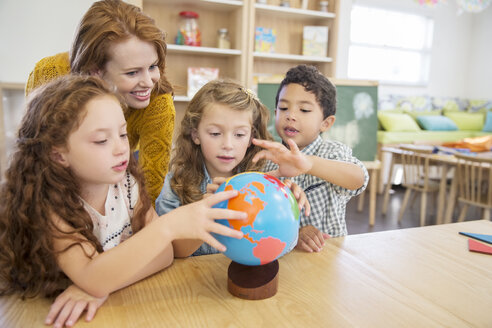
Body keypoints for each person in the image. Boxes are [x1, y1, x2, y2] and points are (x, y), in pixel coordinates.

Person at [0, 75, 247, 328]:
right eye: (102, 140)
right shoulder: (49, 203)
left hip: (114, 309)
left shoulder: (127, 184)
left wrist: (106, 281)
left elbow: (164, 255)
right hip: (44, 312)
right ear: (58, 154)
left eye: (122, 134)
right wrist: (168, 227)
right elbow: (91, 276)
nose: (121, 149)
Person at [25, 0, 175, 205]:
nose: (149, 83)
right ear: (94, 71)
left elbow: (149, 191)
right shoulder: (48, 75)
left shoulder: (158, 103)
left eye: (153, 66)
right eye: (132, 72)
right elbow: (34, 154)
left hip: (129, 164)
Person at [155, 79, 309, 258]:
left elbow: (282, 247)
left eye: (239, 135)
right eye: (215, 133)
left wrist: (288, 207)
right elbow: (169, 252)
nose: (228, 145)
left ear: (252, 136)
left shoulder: (265, 182)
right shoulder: (175, 184)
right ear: (195, 134)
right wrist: (207, 213)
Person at [252, 64, 369, 253]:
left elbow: (359, 179)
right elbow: (260, 218)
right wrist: (296, 233)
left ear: (326, 123)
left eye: (304, 110)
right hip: (281, 259)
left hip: (327, 261)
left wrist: (310, 163)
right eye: (283, 108)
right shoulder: (267, 159)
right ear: (275, 114)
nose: (290, 116)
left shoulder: (332, 152)